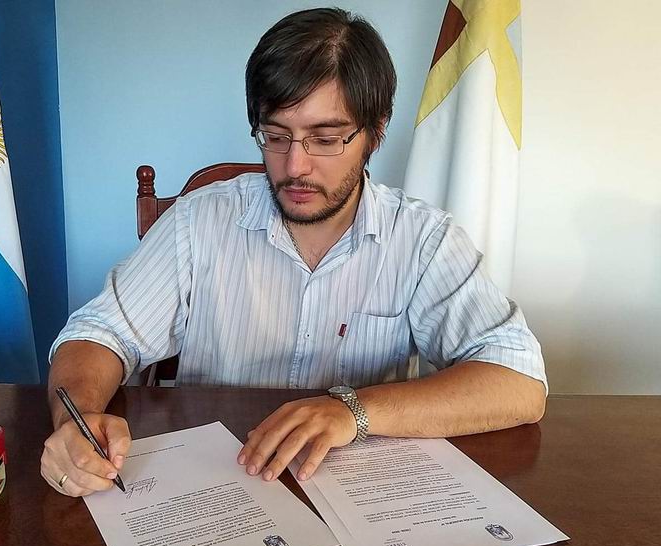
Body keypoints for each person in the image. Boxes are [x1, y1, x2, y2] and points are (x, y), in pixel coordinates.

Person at [41, 7, 547, 497]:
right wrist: (75, 422)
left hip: (359, 487)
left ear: (375, 132)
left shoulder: (423, 239)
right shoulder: (199, 221)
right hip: (219, 481)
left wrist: (353, 411)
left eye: (325, 138)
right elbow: (98, 334)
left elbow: (518, 381)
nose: (295, 166)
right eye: (276, 136)